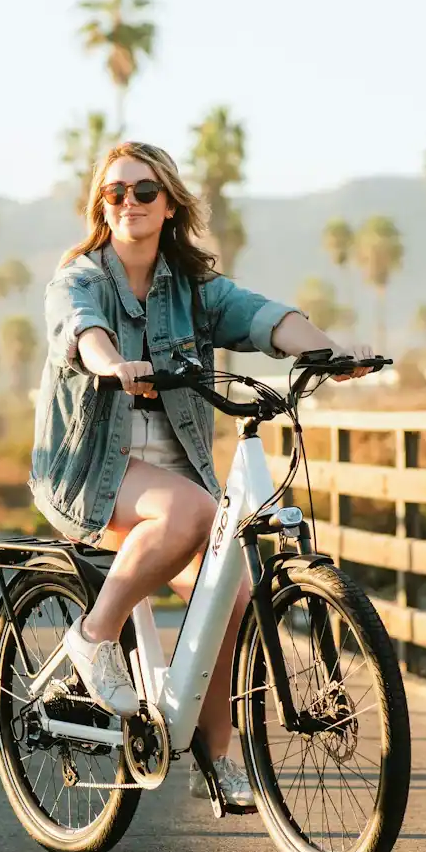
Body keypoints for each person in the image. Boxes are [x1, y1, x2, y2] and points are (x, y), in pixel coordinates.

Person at [31, 141, 375, 809]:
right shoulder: (80, 276)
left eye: (144, 191)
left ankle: (213, 758)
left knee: (234, 585)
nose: (128, 202)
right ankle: (93, 636)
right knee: (191, 513)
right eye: (114, 192)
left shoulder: (192, 290)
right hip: (88, 473)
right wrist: (109, 363)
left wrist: (328, 351)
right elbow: (80, 327)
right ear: (101, 207)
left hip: (173, 477)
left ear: (170, 203)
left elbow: (261, 316)